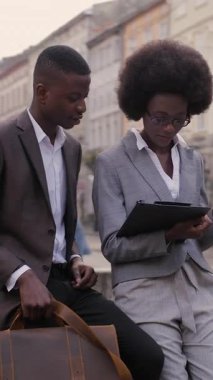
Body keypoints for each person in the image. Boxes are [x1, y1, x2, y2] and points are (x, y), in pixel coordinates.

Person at [0, 45, 164, 380]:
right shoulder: (4, 139)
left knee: (147, 358)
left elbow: (57, 228)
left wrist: (74, 259)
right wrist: (22, 276)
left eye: (85, 96)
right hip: (11, 290)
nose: (83, 107)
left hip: (64, 284)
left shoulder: (71, 149)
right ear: (42, 93)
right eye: (74, 97)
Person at [93, 39, 213, 380]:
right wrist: (170, 234)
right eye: (160, 118)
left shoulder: (192, 159)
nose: (169, 128)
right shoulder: (111, 163)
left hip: (198, 288)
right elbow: (113, 246)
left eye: (180, 119)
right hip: (144, 291)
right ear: (139, 107)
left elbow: (198, 239)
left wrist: (201, 227)